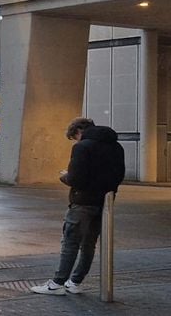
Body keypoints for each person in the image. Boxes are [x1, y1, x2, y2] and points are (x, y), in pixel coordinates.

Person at [31, 117, 125, 295]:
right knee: (89, 244)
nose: (75, 140)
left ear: (79, 131)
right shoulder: (116, 146)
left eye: (74, 137)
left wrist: (64, 176)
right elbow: (119, 174)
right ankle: (75, 281)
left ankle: (57, 283)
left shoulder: (82, 147)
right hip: (105, 203)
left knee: (71, 242)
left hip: (82, 201)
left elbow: (76, 178)